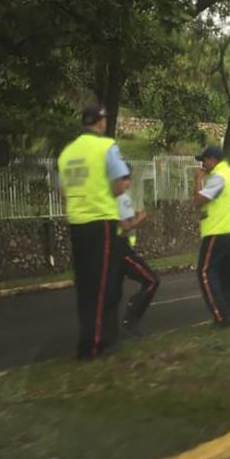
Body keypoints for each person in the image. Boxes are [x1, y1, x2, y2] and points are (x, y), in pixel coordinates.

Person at [57, 105, 130, 359]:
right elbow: (120, 186)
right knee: (104, 285)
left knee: (85, 285)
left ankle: (86, 340)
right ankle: (98, 343)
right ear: (101, 122)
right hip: (101, 221)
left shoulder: (67, 152)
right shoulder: (106, 147)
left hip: (77, 223)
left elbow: (62, 190)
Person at [193, 146, 230, 327]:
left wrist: (198, 180)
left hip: (217, 231)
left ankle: (220, 316)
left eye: (204, 160)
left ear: (213, 160)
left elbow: (199, 201)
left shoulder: (219, 177)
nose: (203, 165)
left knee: (204, 272)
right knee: (227, 274)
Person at [117, 169, 160, 333]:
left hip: (111, 247)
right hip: (121, 248)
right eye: (127, 179)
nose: (129, 183)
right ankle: (131, 319)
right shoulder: (121, 198)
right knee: (151, 280)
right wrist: (140, 218)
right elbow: (126, 225)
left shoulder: (105, 197)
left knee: (110, 292)